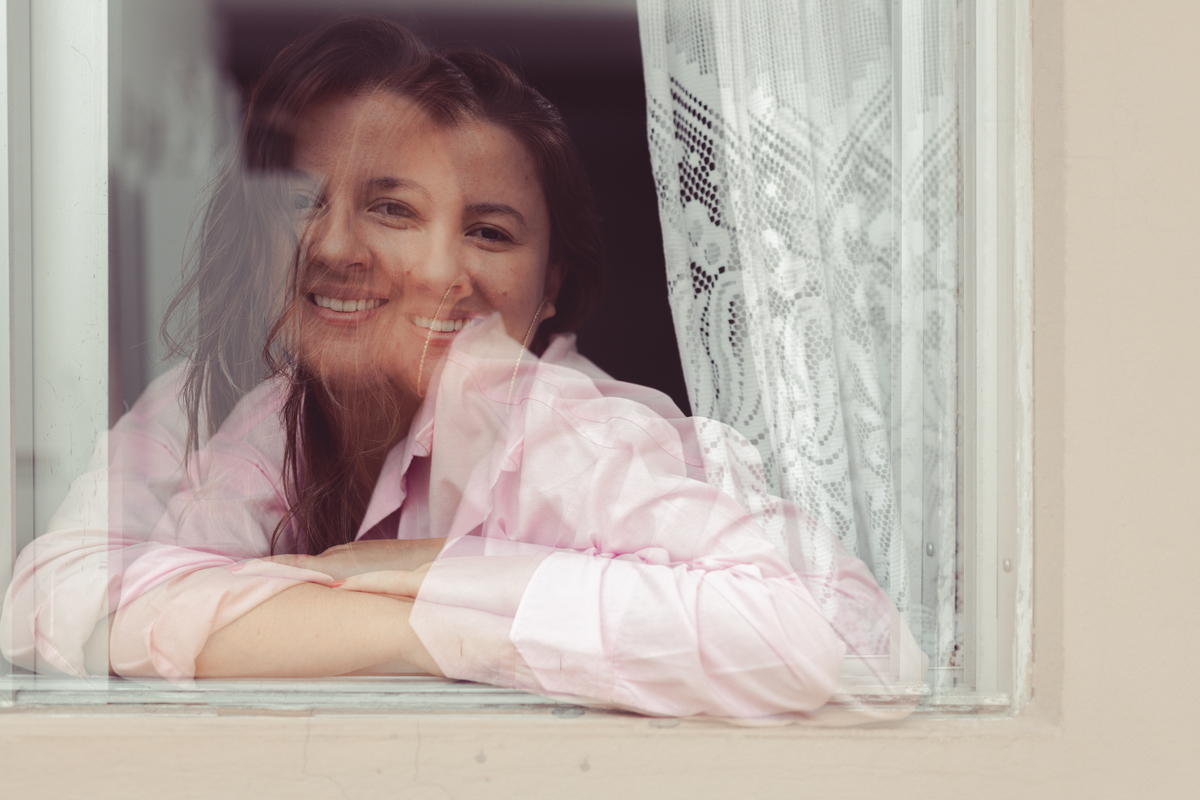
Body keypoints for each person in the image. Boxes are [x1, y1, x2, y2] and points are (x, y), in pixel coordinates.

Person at [1, 17, 925, 721]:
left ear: (553, 287)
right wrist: (400, 615)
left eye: (491, 232)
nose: (443, 272)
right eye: (395, 215)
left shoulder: (567, 431)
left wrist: (444, 575)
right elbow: (52, 600)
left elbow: (835, 640)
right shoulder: (223, 410)